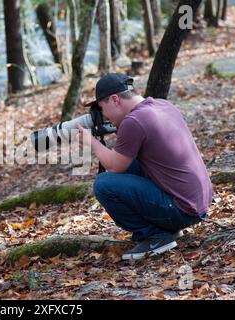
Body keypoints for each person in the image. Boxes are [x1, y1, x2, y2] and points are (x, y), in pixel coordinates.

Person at [77, 73, 213, 260]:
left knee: (104, 184)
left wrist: (91, 142)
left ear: (115, 99)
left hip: (182, 210)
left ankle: (155, 236)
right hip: (198, 202)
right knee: (130, 164)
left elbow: (115, 167)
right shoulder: (162, 105)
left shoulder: (134, 122)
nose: (104, 115)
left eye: (102, 108)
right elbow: (125, 162)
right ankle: (165, 228)